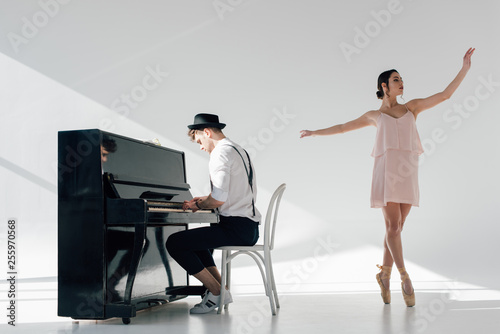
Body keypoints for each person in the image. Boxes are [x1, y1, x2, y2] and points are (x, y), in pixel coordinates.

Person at [300, 48, 475, 307]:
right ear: (384, 86)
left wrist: (465, 67)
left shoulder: (412, 108)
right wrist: (314, 132)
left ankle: (384, 275)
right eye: (396, 79)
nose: (401, 82)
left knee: (397, 228)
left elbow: (445, 95)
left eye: (401, 79)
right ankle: (404, 276)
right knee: (394, 228)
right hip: (386, 174)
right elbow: (341, 128)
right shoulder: (374, 115)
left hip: (408, 174)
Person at [166, 113, 262, 314]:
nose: (201, 146)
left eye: (200, 140)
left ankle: (215, 292)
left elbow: (218, 199)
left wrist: (198, 205)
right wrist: (203, 200)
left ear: (207, 132)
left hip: (236, 228)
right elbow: (228, 193)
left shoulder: (220, 153)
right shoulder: (238, 149)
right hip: (248, 227)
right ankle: (222, 291)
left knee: (174, 243)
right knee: (198, 244)